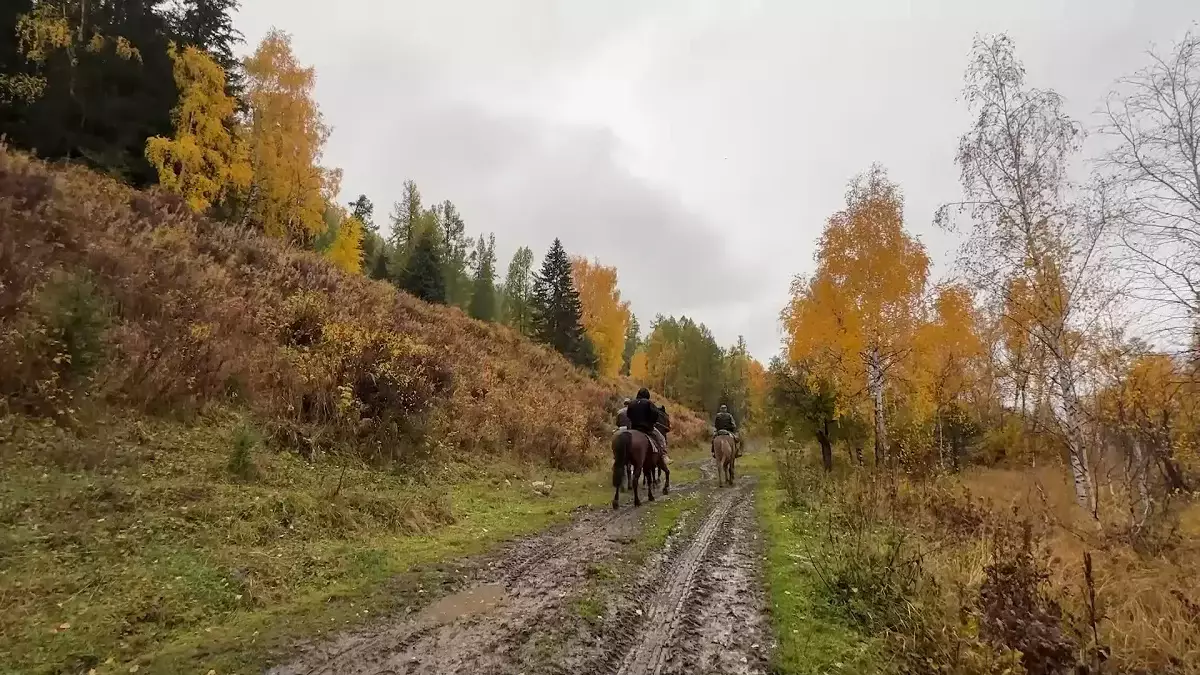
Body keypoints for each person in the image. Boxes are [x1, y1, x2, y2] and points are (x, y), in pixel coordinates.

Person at [627, 388, 664, 456]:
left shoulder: (632, 403)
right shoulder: (649, 403)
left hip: (633, 427)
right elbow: (655, 414)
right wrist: (652, 422)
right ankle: (664, 455)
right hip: (646, 429)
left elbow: (628, 415)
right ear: (648, 396)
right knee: (660, 438)